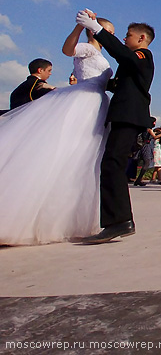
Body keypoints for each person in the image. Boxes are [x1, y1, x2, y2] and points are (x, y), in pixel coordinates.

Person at [0, 18, 115, 245]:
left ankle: (68, 218)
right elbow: (67, 49)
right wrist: (79, 27)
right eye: (104, 31)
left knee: (82, 159)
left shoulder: (100, 54)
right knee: (66, 152)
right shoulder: (88, 49)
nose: (107, 35)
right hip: (84, 101)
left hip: (96, 103)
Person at [75, 9, 155, 244]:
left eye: (128, 35)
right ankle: (118, 220)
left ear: (141, 39)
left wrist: (98, 31)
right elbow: (117, 82)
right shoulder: (132, 62)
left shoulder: (143, 56)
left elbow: (123, 55)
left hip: (128, 116)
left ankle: (119, 221)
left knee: (112, 164)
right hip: (123, 115)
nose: (124, 38)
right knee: (111, 164)